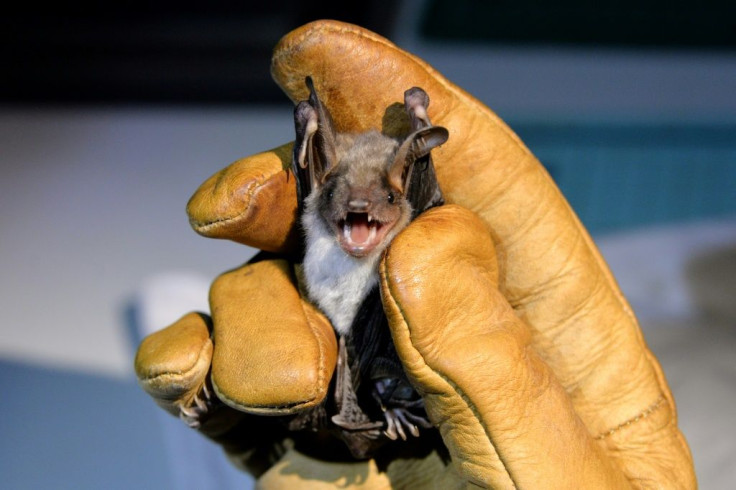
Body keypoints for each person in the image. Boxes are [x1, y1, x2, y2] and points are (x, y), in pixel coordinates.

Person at [135, 20, 696, 488]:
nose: (362, 217)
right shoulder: (322, 213)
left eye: (378, 205)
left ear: (402, 201)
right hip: (341, 352)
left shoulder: (417, 226)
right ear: (322, 195)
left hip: (388, 362)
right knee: (303, 370)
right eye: (342, 203)